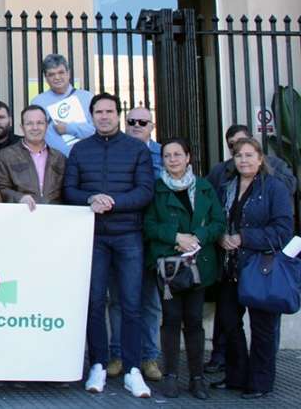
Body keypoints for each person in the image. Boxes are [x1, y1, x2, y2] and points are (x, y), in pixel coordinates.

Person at [63, 93, 154, 398]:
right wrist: (90, 198)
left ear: (118, 114)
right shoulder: (80, 150)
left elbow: (145, 191)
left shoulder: (136, 149)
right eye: (99, 112)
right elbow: (69, 190)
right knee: (94, 303)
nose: (104, 116)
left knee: (131, 304)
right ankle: (98, 365)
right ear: (91, 116)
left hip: (129, 235)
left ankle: (132, 369)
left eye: (109, 111)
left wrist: (113, 202)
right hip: (93, 237)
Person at [204, 124, 298, 374]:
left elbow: (283, 231)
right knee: (229, 322)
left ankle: (260, 381)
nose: (243, 160)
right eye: (238, 155)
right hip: (230, 267)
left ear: (260, 158)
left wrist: (243, 237)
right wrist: (220, 235)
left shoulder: (274, 187)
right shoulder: (226, 185)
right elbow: (215, 218)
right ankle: (236, 376)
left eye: (248, 155)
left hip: (260, 266)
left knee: (262, 328)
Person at [143, 138, 225, 400]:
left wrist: (197, 237)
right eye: (167, 156)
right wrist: (176, 237)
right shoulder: (156, 189)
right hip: (169, 266)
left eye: (178, 154)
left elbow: (218, 222)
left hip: (198, 264)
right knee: (170, 321)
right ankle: (170, 376)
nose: (173, 159)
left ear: (188, 157)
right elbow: (148, 225)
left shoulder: (204, 187)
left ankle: (197, 378)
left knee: (194, 322)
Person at [108, 107, 164, 383]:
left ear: (152, 125)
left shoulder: (164, 154)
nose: (136, 125)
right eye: (131, 121)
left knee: (149, 301)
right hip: (121, 232)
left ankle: (149, 357)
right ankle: (118, 355)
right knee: (118, 299)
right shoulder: (115, 151)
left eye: (143, 121)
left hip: (151, 236)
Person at [0, 105, 65, 209]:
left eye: (40, 123)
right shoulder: (5, 156)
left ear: (46, 126)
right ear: (22, 127)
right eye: (29, 123)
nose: (35, 128)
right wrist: (19, 198)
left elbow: (67, 190)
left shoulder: (60, 158)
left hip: (54, 214)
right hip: (21, 213)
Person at [31, 54, 95, 157]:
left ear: (68, 73)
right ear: (46, 78)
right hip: (53, 162)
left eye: (61, 72)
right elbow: (34, 133)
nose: (57, 77)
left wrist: (69, 128)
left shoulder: (87, 98)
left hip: (87, 158)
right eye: (51, 74)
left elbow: (96, 130)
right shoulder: (38, 102)